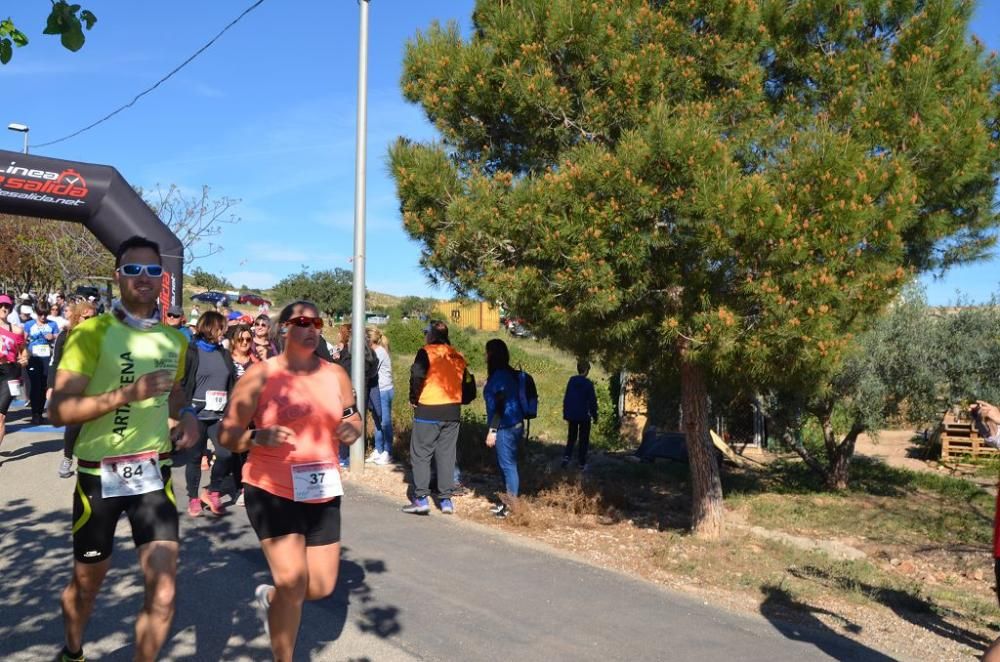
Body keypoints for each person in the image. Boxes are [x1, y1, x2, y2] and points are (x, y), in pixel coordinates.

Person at [48, 236, 199, 662]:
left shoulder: (176, 341)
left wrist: (185, 417)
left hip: (154, 474)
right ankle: (73, 650)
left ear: (163, 279)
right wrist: (125, 395)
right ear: (118, 277)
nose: (144, 278)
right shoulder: (90, 333)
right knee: (87, 586)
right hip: (99, 475)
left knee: (165, 592)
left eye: (153, 270)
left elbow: (174, 398)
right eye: (133, 270)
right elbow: (59, 411)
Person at [218, 300, 362, 659]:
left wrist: (353, 429)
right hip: (271, 489)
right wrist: (256, 437)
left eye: (317, 322)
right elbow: (227, 434)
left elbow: (355, 417)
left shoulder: (336, 375)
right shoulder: (260, 375)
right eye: (302, 322)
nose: (312, 328)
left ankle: (272, 597)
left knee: (322, 585)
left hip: (322, 488)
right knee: (294, 583)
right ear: (284, 328)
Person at [402, 320, 469, 515]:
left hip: (428, 409)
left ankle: (421, 498)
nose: (425, 336)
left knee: (421, 454)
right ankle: (446, 500)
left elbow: (417, 376)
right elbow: (465, 382)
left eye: (426, 332)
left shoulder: (426, 352)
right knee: (447, 455)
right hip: (452, 411)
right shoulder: (457, 354)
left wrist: (413, 398)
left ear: (431, 335)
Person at [179, 311, 237, 517]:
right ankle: (193, 497)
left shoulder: (223, 353)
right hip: (195, 415)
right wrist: (183, 409)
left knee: (225, 453)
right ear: (211, 327)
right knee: (194, 457)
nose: (225, 331)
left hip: (218, 415)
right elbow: (183, 382)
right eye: (222, 327)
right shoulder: (191, 351)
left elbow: (231, 381)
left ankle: (212, 491)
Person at [50, 299, 98, 478]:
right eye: (86, 318)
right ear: (77, 317)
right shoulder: (65, 335)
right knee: (74, 425)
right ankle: (68, 457)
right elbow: (55, 363)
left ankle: (89, 462)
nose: (89, 321)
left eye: (93, 318)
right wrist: (52, 386)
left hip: (94, 386)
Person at [483, 339, 525, 519]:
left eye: (487, 352)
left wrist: (493, 430)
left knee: (508, 466)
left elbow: (500, 404)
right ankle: (506, 504)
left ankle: (511, 507)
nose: (485, 356)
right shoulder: (507, 373)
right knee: (507, 465)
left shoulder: (500, 375)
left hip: (505, 427)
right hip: (513, 424)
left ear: (492, 354)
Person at [23, 301, 60, 424]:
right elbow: (22, 340)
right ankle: (35, 413)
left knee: (44, 385)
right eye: (40, 314)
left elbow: (59, 338)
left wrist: (53, 337)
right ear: (36, 313)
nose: (43, 317)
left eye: (45, 314)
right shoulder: (29, 324)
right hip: (33, 358)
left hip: (46, 358)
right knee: (35, 385)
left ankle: (40, 412)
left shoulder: (53, 324)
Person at [0, 293, 28, 447]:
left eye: (7, 306)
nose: (4, 308)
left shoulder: (16, 330)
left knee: (1, 416)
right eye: (1, 306)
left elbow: (23, 350)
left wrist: (25, 358)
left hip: (10, 372)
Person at [562, 359, 599, 470]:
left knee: (571, 437)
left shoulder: (571, 381)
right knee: (583, 439)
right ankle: (581, 463)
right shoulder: (588, 384)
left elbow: (567, 398)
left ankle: (566, 458)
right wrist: (595, 415)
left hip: (572, 414)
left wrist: (566, 413)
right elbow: (592, 401)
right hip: (584, 415)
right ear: (587, 370)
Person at [367, 327, 394, 465]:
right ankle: (378, 449)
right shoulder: (374, 351)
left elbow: (370, 371)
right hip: (376, 390)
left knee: (385, 422)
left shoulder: (378, 352)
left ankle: (388, 452)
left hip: (383, 390)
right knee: (377, 422)